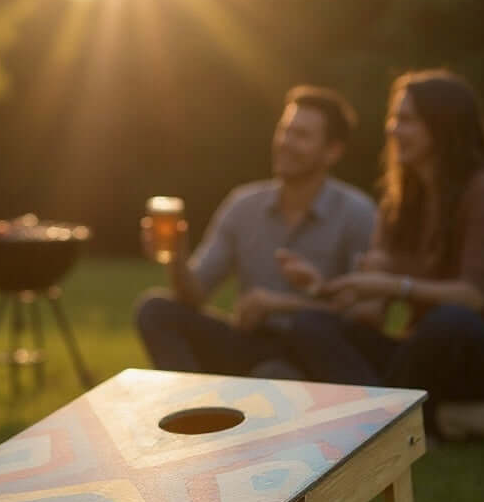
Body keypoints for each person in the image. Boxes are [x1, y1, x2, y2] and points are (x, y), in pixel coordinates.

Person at [278, 69, 484, 434]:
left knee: (449, 319)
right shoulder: (398, 200)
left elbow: (472, 297)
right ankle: (387, 419)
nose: (393, 129)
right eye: (393, 117)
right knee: (310, 325)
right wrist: (325, 287)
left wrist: (391, 285)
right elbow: (370, 315)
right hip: (421, 352)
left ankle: (384, 419)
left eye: (407, 119)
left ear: (442, 126)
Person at [135, 85, 376, 377]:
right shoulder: (243, 204)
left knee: (273, 373)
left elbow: (365, 317)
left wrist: (279, 305)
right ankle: (189, 400)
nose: (285, 142)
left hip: (310, 352)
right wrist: (176, 257)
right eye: (284, 130)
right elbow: (194, 295)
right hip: (247, 341)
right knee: (155, 310)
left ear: (332, 152)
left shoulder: (356, 213)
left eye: (301, 135)